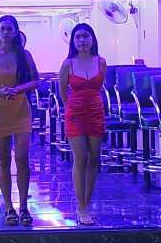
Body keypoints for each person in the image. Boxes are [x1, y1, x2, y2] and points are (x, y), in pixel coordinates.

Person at [0, 15, 39, 226]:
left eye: (9, 29)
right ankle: (9, 206)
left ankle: (23, 206)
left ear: (16, 32)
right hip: (0, 110)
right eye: (2, 29)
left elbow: (36, 81)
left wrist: (18, 88)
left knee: (22, 157)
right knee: (3, 159)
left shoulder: (24, 55)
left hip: (21, 109)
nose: (6, 33)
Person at [58, 23, 106, 225]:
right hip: (75, 113)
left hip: (96, 110)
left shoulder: (101, 62)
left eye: (86, 36)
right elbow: (62, 92)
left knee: (94, 158)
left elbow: (101, 86)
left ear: (92, 39)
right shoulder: (67, 63)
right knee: (81, 157)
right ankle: (81, 206)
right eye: (78, 37)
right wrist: (70, 108)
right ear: (73, 41)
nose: (82, 40)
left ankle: (87, 201)